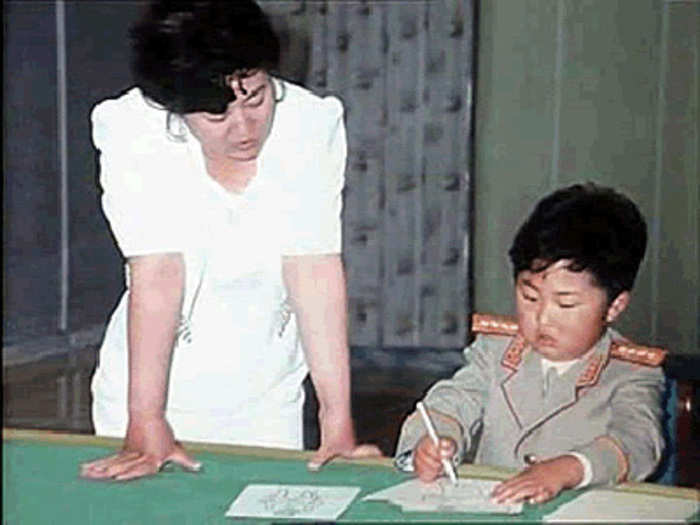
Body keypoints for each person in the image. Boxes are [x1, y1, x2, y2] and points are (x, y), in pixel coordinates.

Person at [80, 0, 379, 481]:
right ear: (173, 108)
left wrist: (336, 420)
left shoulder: (308, 124)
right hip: (151, 394)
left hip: (268, 397)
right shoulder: (133, 129)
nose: (243, 128)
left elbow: (315, 270)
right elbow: (158, 273)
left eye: (256, 98)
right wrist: (147, 419)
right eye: (216, 115)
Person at [394, 183, 666, 504]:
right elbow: (453, 401)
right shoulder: (495, 352)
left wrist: (567, 470)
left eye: (565, 304)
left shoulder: (630, 371)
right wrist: (433, 443)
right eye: (530, 296)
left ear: (615, 306)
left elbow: (638, 441)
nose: (543, 318)